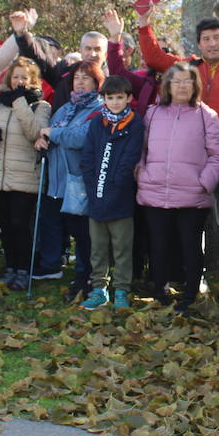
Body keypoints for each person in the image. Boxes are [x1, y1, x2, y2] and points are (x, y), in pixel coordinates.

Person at [136, 6, 219, 306]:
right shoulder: (189, 67)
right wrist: (143, 24)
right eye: (206, 39)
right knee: (194, 221)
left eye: (217, 37)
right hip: (189, 157)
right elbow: (155, 58)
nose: (212, 44)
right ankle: (198, 276)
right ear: (199, 43)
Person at [135, 62, 219, 313]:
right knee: (158, 244)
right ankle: (160, 291)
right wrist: (142, 174)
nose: (183, 86)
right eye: (177, 81)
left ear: (195, 85)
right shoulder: (153, 113)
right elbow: (140, 149)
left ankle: (191, 293)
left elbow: (218, 156)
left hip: (192, 195)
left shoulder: (206, 115)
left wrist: (204, 183)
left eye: (188, 81)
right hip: (154, 191)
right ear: (168, 86)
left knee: (190, 245)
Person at [0, 57, 51, 289]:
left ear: (33, 81)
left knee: (20, 224)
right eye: (16, 77)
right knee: (6, 225)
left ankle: (24, 269)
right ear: (9, 78)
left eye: (24, 78)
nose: (19, 81)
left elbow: (34, 132)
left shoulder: (41, 106)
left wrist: (19, 101)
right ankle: (10, 267)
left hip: (24, 176)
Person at [38, 60, 104, 299]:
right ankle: (79, 274)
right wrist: (42, 139)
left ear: (97, 82)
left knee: (84, 233)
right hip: (59, 181)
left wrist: (52, 134)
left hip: (81, 182)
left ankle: (86, 278)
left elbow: (80, 137)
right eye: (77, 78)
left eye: (86, 78)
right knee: (73, 230)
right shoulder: (65, 108)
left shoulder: (99, 108)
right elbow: (49, 130)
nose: (80, 82)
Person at [79, 75, 145, 309]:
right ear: (103, 99)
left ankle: (121, 290)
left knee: (122, 248)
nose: (115, 102)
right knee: (97, 247)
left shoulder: (135, 124)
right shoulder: (98, 123)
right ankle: (99, 288)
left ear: (128, 98)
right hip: (96, 196)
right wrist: (90, 182)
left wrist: (116, 186)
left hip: (121, 198)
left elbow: (130, 159)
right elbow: (88, 155)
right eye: (110, 98)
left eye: (120, 97)